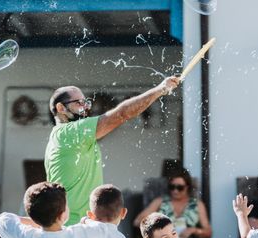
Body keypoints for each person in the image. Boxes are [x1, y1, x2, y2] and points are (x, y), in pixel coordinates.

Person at [45, 77, 180, 226]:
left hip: (76, 225)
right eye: (79, 103)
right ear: (60, 108)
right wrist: (160, 89)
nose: (85, 107)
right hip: (73, 227)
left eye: (86, 102)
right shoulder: (69, 132)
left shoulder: (63, 136)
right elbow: (122, 114)